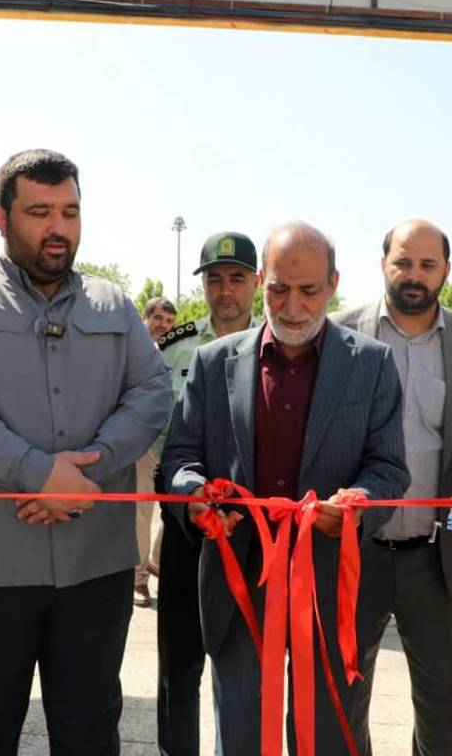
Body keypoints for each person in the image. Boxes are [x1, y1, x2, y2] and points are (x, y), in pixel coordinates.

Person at [0, 149, 170, 755]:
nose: (58, 228)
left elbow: (152, 392)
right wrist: (38, 472)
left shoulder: (113, 302)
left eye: (70, 212)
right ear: (2, 219)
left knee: (89, 731)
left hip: (97, 565)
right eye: (40, 212)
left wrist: (87, 473)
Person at [162, 222, 410, 755]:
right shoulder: (212, 362)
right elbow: (179, 458)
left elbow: (389, 470)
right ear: (261, 282)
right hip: (237, 579)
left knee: (323, 736)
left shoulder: (371, 364)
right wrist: (196, 496)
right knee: (240, 734)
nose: (292, 306)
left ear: (334, 284)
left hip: (329, 583)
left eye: (309, 290)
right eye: (278, 289)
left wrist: (355, 507)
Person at [333, 219, 452, 756]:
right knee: (341, 696)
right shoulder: (337, 336)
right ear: (383, 265)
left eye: (427, 264)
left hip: (438, 559)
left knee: (439, 703)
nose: (414, 275)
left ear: (446, 270)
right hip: (352, 554)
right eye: (403, 262)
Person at [152, 231, 261, 756]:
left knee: (244, 661)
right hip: (184, 523)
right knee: (179, 661)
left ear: (257, 282)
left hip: (252, 529)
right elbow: (154, 424)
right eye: (214, 279)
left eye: (237, 278)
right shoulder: (175, 346)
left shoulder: (279, 344)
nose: (225, 290)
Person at [135, 295, 178, 608]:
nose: (163, 326)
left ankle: (156, 559)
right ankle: (138, 579)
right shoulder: (134, 351)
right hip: (143, 441)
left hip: (175, 440)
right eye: (158, 319)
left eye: (169, 321)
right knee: (141, 511)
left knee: (175, 506)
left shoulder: (178, 351)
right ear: (145, 318)